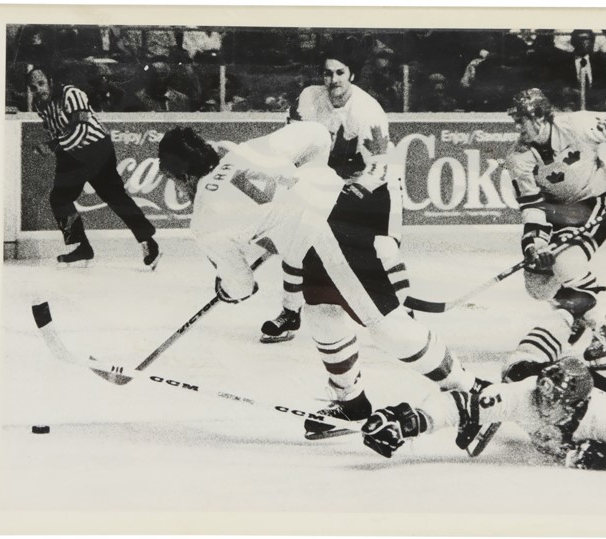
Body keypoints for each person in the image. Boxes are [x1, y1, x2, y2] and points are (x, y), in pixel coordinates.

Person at [157, 123, 488, 445]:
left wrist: (225, 290)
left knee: (387, 326)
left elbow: (241, 286)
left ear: (182, 176)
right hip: (346, 206)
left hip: (330, 233)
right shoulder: (246, 151)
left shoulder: (204, 217)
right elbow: (316, 134)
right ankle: (351, 402)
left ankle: (474, 393)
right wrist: (304, 188)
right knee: (322, 313)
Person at [362, 280, 606, 469]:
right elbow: (459, 405)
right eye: (542, 392)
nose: (541, 402)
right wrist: (409, 423)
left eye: (550, 399)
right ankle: (574, 317)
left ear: (574, 407)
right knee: (517, 369)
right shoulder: (528, 394)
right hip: (550, 375)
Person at [504, 88, 606, 370]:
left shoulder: (577, 126)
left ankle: (601, 335)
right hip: (558, 214)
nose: (517, 127)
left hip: (595, 202)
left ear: (540, 117)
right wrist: (535, 245)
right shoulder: (518, 158)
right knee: (538, 286)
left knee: (566, 262)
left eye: (522, 120)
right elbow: (532, 206)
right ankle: (578, 311)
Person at [260, 41, 409, 345]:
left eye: (340, 72)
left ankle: (401, 317)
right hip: (327, 181)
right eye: (328, 73)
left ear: (352, 74)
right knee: (297, 242)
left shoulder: (368, 111)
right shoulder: (309, 99)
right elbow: (291, 146)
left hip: (376, 185)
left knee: (382, 250)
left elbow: (378, 169)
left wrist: (344, 197)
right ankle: (290, 312)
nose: (334, 80)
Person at [27, 67, 160, 269]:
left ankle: (149, 242)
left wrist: (53, 145)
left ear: (51, 81)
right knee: (60, 199)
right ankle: (82, 247)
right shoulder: (40, 104)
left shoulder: (72, 94)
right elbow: (56, 130)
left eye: (41, 83)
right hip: (70, 153)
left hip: (96, 150)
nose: (38, 89)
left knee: (115, 197)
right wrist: (52, 144)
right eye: (33, 86)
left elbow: (82, 127)